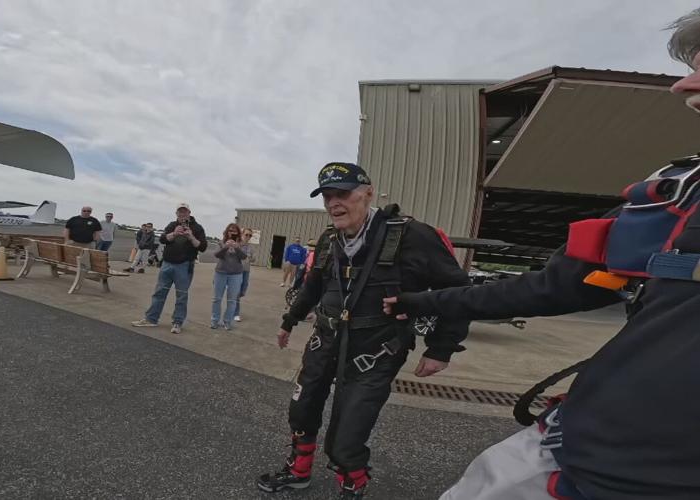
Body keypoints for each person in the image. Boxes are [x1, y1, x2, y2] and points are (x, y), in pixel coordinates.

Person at [378, 13, 700, 499]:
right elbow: (555, 285)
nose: (684, 86)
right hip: (582, 455)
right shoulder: (677, 195)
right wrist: (422, 302)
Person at [257, 162, 470, 499]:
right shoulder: (329, 239)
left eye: (342, 193)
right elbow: (314, 286)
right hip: (325, 340)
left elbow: (459, 291)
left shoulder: (412, 236)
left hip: (376, 350)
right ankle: (298, 472)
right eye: (327, 196)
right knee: (301, 409)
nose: (333, 203)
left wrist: (440, 348)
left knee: (345, 439)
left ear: (368, 193)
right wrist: (289, 320)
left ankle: (352, 482)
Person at [131, 203, 207, 334]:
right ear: (176, 213)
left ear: (189, 212)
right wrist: (174, 234)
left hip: (184, 266)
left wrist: (191, 236)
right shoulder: (172, 225)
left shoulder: (197, 227)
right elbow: (162, 239)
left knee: (181, 295)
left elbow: (202, 247)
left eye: (185, 212)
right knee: (159, 292)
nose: (182, 214)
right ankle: (151, 319)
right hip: (167, 263)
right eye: (180, 212)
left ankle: (177, 322)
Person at [211, 223, 245, 330]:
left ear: (238, 233)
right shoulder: (221, 242)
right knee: (217, 298)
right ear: (227, 232)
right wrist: (225, 247)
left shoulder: (241, 244)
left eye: (234, 231)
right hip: (221, 273)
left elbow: (244, 257)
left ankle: (227, 321)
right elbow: (217, 255)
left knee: (232, 300)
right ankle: (214, 320)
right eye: (230, 230)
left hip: (236, 274)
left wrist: (237, 248)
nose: (232, 232)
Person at [233, 228, 255, 322]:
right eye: (247, 234)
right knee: (237, 292)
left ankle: (233, 300)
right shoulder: (237, 244)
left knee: (243, 290)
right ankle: (236, 313)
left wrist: (251, 258)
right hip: (237, 270)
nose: (248, 237)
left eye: (250, 235)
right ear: (242, 234)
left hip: (246, 270)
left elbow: (254, 259)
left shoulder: (251, 247)